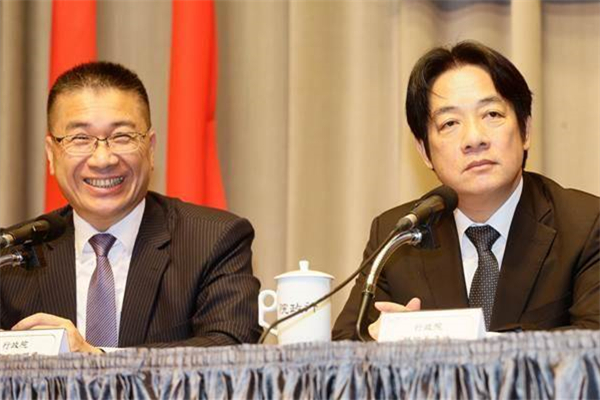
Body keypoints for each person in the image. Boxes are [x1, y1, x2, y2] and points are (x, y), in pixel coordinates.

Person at [333, 41, 599, 340]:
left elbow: (593, 343)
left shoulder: (586, 225)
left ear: (525, 130)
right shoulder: (399, 235)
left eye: (492, 115)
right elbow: (345, 344)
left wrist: (442, 340)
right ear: (424, 151)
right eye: (450, 123)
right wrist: (380, 340)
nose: (474, 138)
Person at [0, 62, 262, 352]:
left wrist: (96, 359)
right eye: (80, 139)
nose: (103, 159)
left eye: (122, 137)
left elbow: (231, 347)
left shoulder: (213, 240)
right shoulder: (12, 256)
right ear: (51, 154)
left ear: (150, 149)